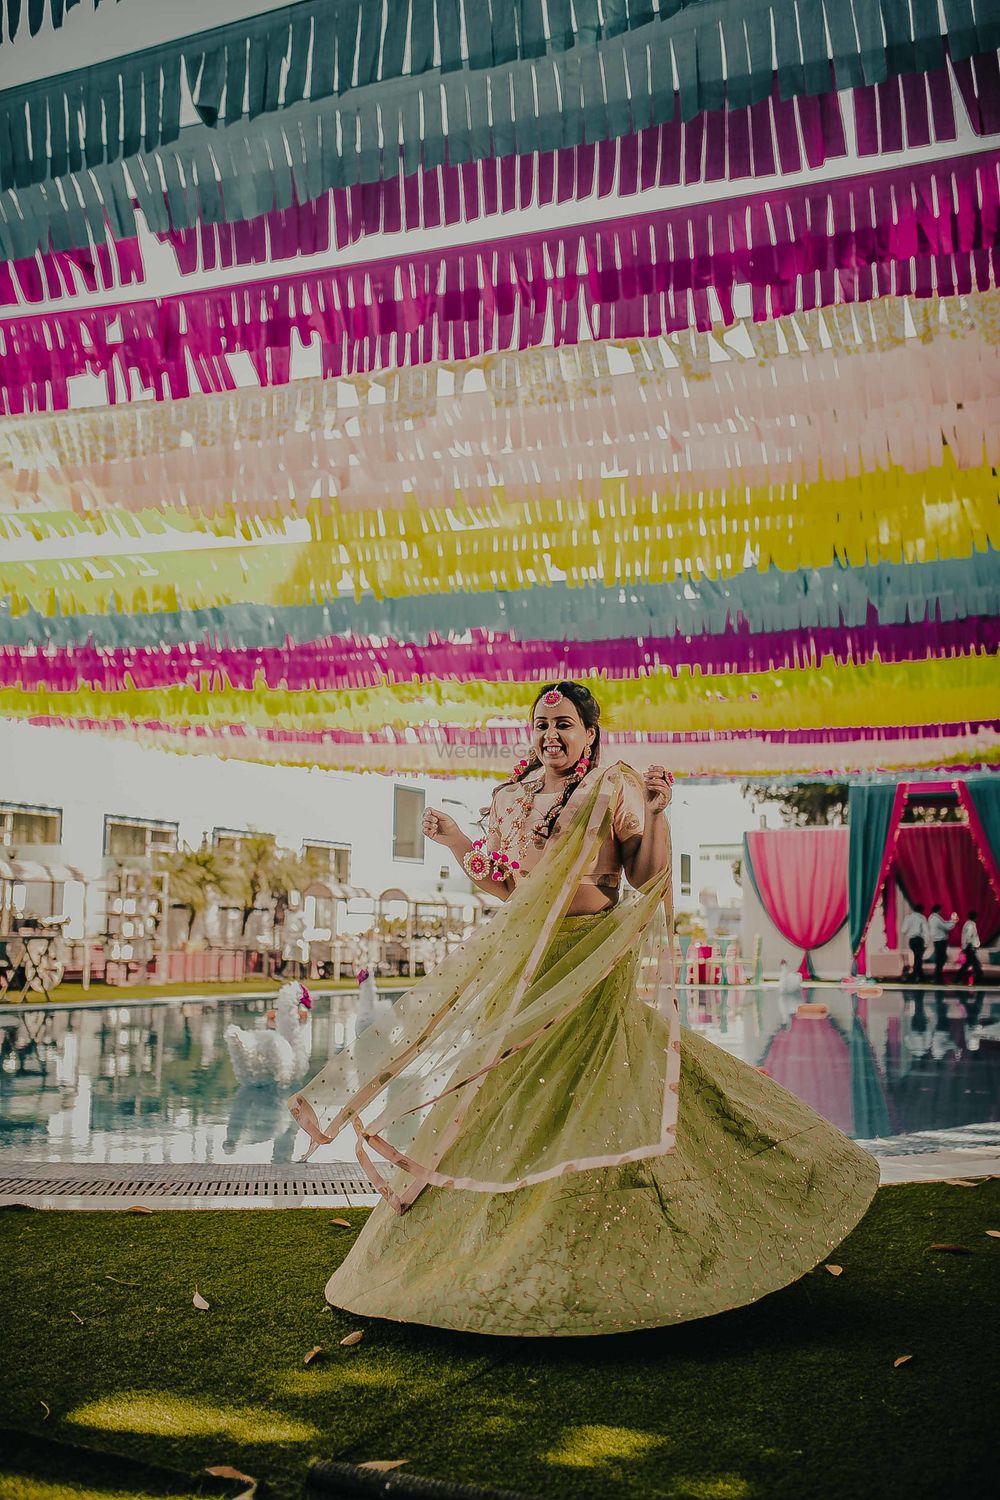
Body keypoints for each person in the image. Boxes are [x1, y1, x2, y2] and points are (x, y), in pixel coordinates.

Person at [289, 681, 878, 1337]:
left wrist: (656, 813)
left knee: (604, 1087)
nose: (551, 735)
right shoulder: (510, 799)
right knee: (505, 1100)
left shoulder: (611, 790)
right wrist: (458, 841)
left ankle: (743, 1192)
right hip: (528, 964)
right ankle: (472, 1261)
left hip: (591, 960)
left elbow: (644, 878)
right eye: (541, 724)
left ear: (591, 733)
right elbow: (504, 884)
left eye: (564, 723)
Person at [927, 903, 957, 984]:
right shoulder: (936, 918)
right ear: (939, 910)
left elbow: (944, 924)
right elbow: (946, 927)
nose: (941, 911)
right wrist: (953, 922)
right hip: (940, 941)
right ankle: (938, 978)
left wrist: (951, 921)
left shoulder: (931, 918)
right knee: (941, 959)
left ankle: (938, 977)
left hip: (937, 941)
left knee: (940, 959)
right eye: (941, 910)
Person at [901, 903, 929, 982]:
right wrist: (926, 943)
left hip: (912, 941)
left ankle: (920, 977)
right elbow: (926, 931)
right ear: (921, 910)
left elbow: (903, 930)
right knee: (918, 959)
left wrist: (910, 932)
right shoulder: (922, 918)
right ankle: (913, 977)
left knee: (918, 959)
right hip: (919, 940)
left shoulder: (908, 917)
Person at [956, 911, 983, 985]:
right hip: (970, 948)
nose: (977, 919)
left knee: (968, 964)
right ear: (974, 917)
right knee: (976, 964)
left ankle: (957, 979)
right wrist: (971, 946)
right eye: (977, 917)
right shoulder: (970, 925)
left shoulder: (969, 924)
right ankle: (980, 980)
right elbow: (968, 937)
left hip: (968, 947)